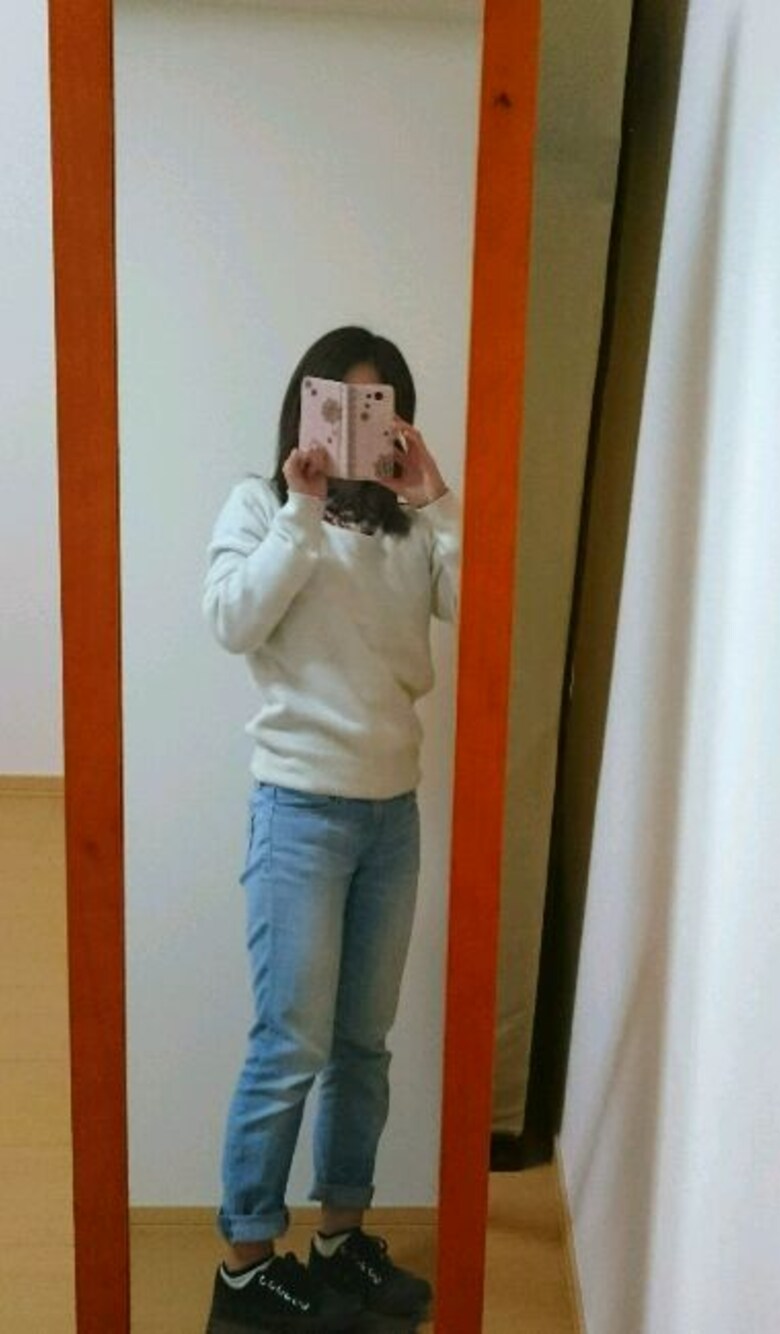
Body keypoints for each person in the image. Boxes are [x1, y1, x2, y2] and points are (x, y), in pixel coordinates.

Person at [202, 327, 460, 1333]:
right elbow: (232, 620)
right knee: (289, 1044)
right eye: (340, 404)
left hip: (392, 813)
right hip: (300, 811)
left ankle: (340, 1236)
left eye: (377, 407)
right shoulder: (261, 506)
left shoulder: (410, 527)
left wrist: (437, 500)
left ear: (398, 421)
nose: (358, 425)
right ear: (304, 409)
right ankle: (245, 1265)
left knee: (363, 1046)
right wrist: (301, 510)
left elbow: (479, 608)